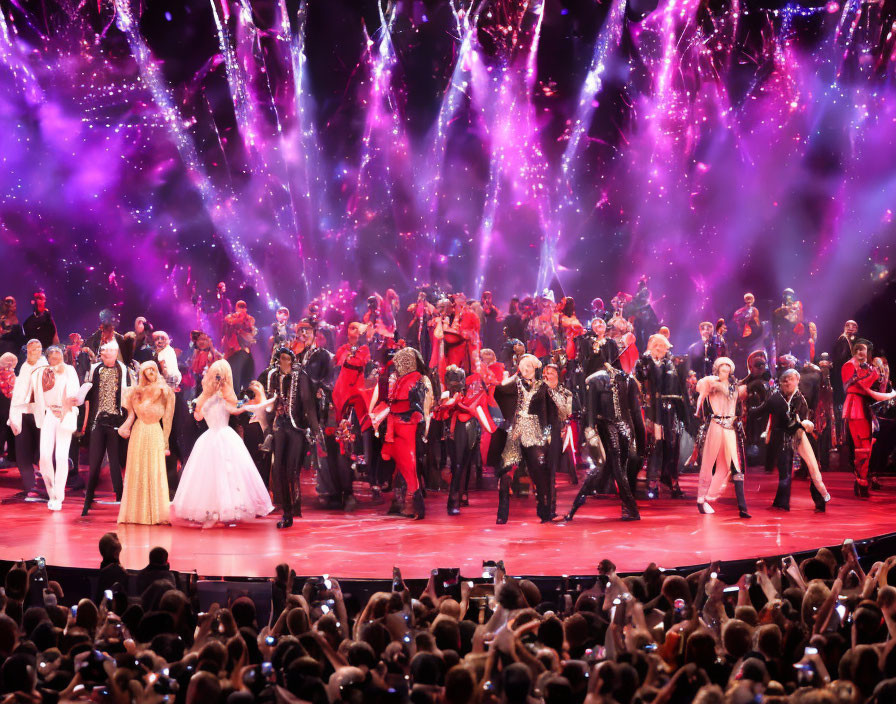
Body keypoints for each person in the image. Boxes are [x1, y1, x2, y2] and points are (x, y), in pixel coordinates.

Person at [172, 359, 274, 527]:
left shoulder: (221, 396)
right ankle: (213, 510)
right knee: (213, 474)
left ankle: (222, 510)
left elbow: (234, 409)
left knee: (224, 473)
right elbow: (200, 415)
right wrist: (207, 400)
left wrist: (246, 402)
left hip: (221, 435)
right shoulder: (208, 396)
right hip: (214, 435)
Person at [564, 363, 644, 522]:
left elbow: (591, 411)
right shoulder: (626, 379)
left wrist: (589, 433)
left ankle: (632, 509)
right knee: (610, 469)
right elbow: (633, 411)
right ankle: (574, 509)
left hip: (613, 429)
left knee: (612, 470)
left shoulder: (598, 381)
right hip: (622, 429)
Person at [491, 354, 561, 524]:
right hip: (516, 430)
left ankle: (545, 511)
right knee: (507, 471)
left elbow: (550, 412)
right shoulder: (516, 384)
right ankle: (502, 514)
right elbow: (499, 391)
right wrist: (515, 375)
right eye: (523, 367)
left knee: (539, 471)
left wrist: (547, 434)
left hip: (535, 431)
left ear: (535, 368)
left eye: (529, 367)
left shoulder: (543, 387)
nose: (526, 370)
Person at [749, 368, 831, 511]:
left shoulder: (800, 398)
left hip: (801, 435)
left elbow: (798, 419)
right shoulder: (775, 398)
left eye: (791, 380)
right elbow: (760, 411)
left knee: (813, 469)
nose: (787, 383)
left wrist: (805, 424)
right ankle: (782, 503)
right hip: (784, 437)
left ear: (797, 381)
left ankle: (821, 499)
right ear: (780, 382)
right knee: (784, 471)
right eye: (784, 380)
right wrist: (746, 410)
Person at [372, 347, 432, 519]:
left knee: (408, 466)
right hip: (396, 424)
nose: (396, 366)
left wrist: (412, 419)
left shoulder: (416, 379)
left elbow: (418, 408)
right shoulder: (403, 378)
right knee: (402, 465)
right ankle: (407, 504)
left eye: (398, 363)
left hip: (405, 426)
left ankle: (416, 506)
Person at [267, 347, 320, 529]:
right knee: (278, 468)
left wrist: (315, 429)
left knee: (291, 470)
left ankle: (293, 508)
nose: (284, 363)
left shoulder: (300, 377)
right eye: (281, 359)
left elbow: (308, 404)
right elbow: (270, 400)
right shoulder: (273, 376)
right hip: (280, 425)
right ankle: (287, 511)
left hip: (297, 427)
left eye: (287, 359)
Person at [117, 361, 175, 525]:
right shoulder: (134, 392)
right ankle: (135, 514)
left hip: (155, 431)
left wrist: (165, 443)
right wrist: (124, 427)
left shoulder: (165, 392)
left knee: (154, 471)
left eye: (153, 369)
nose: (150, 372)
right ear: (142, 373)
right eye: (147, 370)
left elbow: (168, 419)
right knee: (137, 470)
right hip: (138, 432)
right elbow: (131, 416)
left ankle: (155, 514)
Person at [81, 341, 134, 516]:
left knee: (115, 463)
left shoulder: (123, 369)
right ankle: (88, 501)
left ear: (115, 353)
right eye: (103, 353)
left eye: (108, 353)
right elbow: (88, 391)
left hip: (115, 421)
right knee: (94, 462)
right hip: (98, 420)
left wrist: (126, 420)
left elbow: (128, 393)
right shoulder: (96, 369)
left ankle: (120, 498)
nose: (104, 356)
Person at [693, 357, 749, 518]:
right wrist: (698, 410)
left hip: (730, 427)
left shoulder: (733, 387)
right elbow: (701, 395)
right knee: (709, 462)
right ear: (717, 370)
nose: (725, 372)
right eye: (722, 369)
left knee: (727, 466)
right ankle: (701, 498)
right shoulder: (711, 383)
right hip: (716, 424)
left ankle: (709, 496)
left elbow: (739, 400)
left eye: (728, 369)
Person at [841, 339, 896, 496]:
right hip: (856, 405)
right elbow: (854, 386)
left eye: (863, 349)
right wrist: (874, 374)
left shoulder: (870, 368)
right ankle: (861, 481)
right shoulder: (849, 365)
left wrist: (884, 377)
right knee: (862, 446)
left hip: (867, 407)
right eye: (857, 349)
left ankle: (862, 479)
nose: (860, 352)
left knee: (867, 446)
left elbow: (879, 388)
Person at [635, 334, 687, 499]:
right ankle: (652, 483)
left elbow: (677, 386)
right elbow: (639, 382)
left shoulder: (670, 364)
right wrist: (648, 362)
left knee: (671, 446)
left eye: (663, 346)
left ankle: (670, 481)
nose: (660, 349)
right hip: (652, 409)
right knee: (654, 445)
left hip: (669, 409)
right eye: (657, 346)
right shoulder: (644, 362)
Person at [32, 346, 80, 511]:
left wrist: (66, 408)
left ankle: (58, 496)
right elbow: (37, 396)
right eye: (51, 355)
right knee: (45, 456)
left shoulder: (69, 370)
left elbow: (74, 393)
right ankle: (50, 491)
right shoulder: (43, 372)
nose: (55, 358)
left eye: (57, 354)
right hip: (50, 414)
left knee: (61, 456)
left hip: (65, 413)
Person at [7, 339, 47, 498]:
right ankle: (31, 487)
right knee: (22, 453)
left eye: (39, 348)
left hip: (40, 414)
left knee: (42, 453)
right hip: (23, 413)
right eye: (33, 349)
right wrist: (13, 416)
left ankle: (44, 487)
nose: (36, 351)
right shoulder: (24, 367)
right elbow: (17, 393)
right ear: (27, 351)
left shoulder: (45, 367)